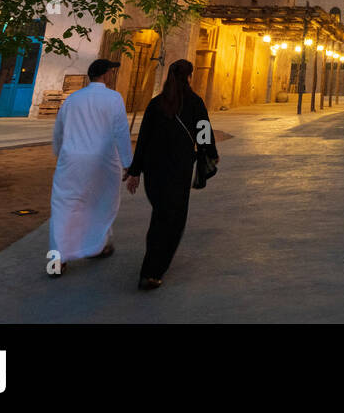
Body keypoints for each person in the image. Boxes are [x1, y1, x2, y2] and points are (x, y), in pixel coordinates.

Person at [125, 59, 218, 290]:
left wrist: (135, 171)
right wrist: (210, 154)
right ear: (189, 76)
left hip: (154, 171)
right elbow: (204, 132)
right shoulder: (195, 103)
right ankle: (153, 271)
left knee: (160, 216)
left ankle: (152, 266)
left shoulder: (156, 104)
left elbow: (143, 139)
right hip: (179, 169)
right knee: (173, 220)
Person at [49, 58, 132, 276]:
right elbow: (121, 132)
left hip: (72, 161)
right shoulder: (114, 98)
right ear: (106, 75)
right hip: (103, 162)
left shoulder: (73, 99)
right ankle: (98, 245)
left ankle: (57, 259)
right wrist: (129, 164)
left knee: (64, 207)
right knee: (101, 203)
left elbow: (59, 129)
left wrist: (59, 153)